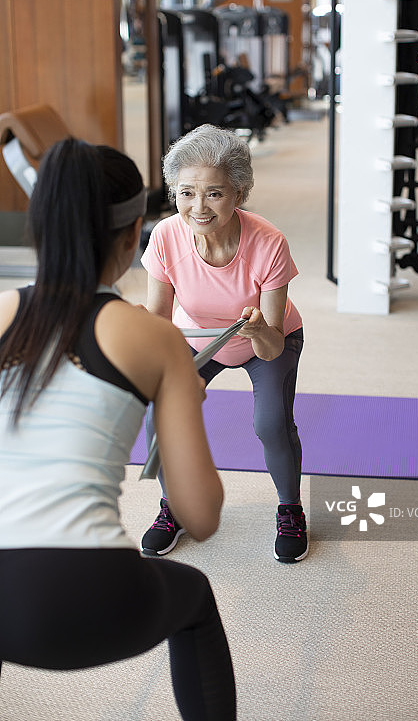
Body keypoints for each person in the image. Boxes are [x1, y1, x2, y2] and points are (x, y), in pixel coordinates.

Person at [0, 138, 236, 721]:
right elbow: (200, 516)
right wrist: (182, 396)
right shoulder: (154, 338)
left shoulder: (1, 312)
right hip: (96, 594)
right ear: (134, 236)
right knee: (194, 597)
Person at [140, 123, 307, 564]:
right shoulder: (166, 236)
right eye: (186, 193)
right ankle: (174, 506)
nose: (198, 207)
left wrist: (258, 330)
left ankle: (290, 509)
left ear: (239, 193)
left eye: (214, 193)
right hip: (199, 338)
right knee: (160, 415)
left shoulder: (268, 242)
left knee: (271, 423)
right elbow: (158, 321)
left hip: (267, 338)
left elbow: (271, 346)